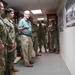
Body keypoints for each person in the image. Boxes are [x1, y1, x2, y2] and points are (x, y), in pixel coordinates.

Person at [4, 8, 20, 75]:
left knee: (13, 56)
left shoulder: (11, 21)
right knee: (9, 57)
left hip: (13, 41)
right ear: (8, 14)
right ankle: (9, 70)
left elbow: (13, 32)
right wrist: (10, 42)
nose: (13, 14)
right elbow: (7, 33)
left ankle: (12, 68)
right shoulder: (5, 21)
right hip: (9, 42)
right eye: (12, 13)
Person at [0, 2, 7, 75]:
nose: (3, 9)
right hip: (0, 45)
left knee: (3, 62)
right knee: (1, 64)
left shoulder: (1, 18)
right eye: (2, 7)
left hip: (3, 44)